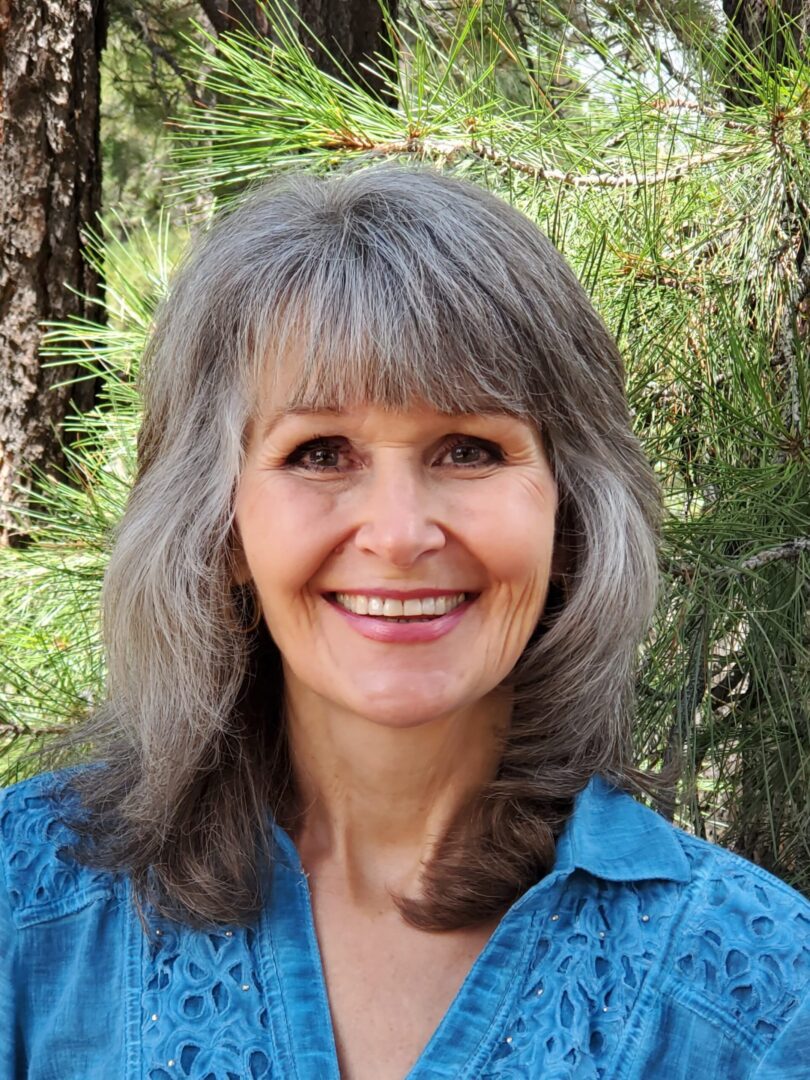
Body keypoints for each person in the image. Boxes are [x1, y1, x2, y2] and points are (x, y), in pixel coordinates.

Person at [1, 162, 808, 1080]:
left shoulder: (764, 998)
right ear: (220, 527)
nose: (396, 535)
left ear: (569, 513)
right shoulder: (24, 917)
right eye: (319, 452)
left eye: (469, 450)